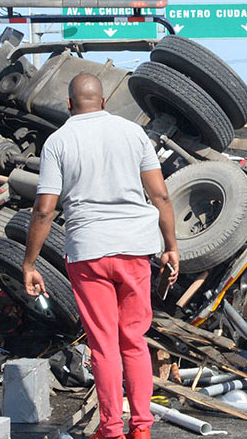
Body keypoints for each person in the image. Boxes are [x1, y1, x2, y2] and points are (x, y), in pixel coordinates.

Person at [23, 74, 178, 439]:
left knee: (104, 345)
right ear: (104, 102)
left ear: (69, 104)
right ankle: (141, 429)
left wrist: (29, 263)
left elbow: (45, 209)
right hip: (135, 248)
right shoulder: (133, 134)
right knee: (134, 341)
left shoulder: (58, 141)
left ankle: (110, 430)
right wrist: (171, 245)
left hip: (88, 251)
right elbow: (161, 197)